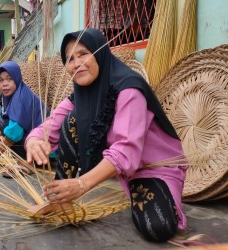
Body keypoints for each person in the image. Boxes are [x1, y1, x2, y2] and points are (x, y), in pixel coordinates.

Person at [25, 29, 187, 242]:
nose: (76, 63)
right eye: (70, 58)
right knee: (72, 120)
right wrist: (34, 140)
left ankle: (151, 192)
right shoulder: (79, 96)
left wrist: (81, 184)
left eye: (83, 54)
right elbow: (49, 127)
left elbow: (126, 151)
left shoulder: (129, 90)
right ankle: (60, 200)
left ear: (99, 53)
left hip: (153, 169)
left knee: (157, 227)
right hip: (123, 169)